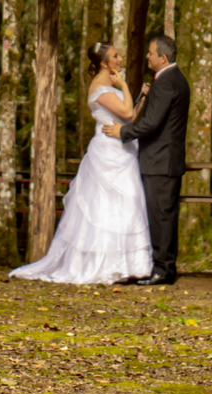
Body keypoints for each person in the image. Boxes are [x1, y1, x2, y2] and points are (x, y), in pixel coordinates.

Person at [9, 42, 152, 287]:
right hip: (108, 151)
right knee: (103, 207)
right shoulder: (99, 87)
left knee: (128, 202)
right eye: (115, 56)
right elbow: (126, 114)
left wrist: (141, 98)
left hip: (124, 148)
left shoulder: (111, 86)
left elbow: (130, 117)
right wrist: (127, 86)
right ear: (104, 63)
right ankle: (103, 263)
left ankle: (129, 265)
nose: (120, 59)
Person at [103, 33, 189, 287]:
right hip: (166, 159)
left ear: (162, 58)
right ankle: (163, 266)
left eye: (151, 53)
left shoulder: (166, 82)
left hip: (160, 160)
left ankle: (163, 270)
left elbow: (151, 123)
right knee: (165, 214)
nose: (147, 56)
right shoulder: (175, 79)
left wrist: (123, 132)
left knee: (161, 215)